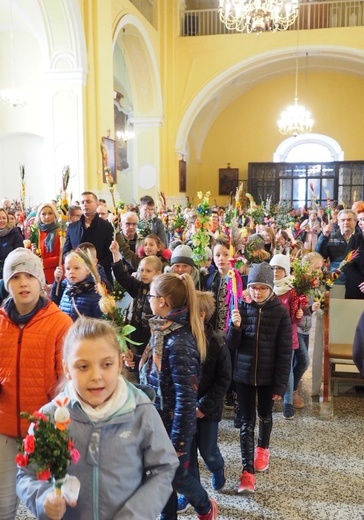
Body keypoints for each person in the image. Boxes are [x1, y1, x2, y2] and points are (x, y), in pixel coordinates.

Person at [16, 317, 179, 520]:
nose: (96, 376)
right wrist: (43, 499)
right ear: (67, 369)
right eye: (83, 367)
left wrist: (135, 514)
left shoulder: (140, 411)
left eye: (107, 364)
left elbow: (163, 467)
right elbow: (26, 474)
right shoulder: (50, 416)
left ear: (119, 364)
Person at [136, 272, 218, 520]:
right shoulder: (162, 329)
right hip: (158, 419)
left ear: (163, 301)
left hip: (173, 425)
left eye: (151, 295)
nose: (148, 299)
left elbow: (186, 397)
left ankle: (205, 506)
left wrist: (179, 442)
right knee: (161, 477)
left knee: (178, 476)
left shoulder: (179, 341)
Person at [0, 247, 72, 520]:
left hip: (43, 429)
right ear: (8, 284)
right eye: (15, 277)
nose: (23, 283)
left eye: (29, 275)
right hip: (4, 426)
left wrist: (57, 419)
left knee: (46, 505)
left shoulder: (59, 323)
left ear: (40, 281)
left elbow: (66, 379)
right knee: (3, 502)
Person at [227, 262, 292, 494]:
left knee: (264, 414)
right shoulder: (242, 308)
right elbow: (231, 345)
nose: (257, 292)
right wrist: (234, 327)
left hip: (268, 376)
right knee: (246, 422)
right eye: (253, 287)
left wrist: (280, 384)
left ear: (271, 289)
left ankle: (263, 447)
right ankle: (247, 472)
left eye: (262, 288)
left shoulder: (280, 313)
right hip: (243, 375)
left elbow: (285, 352)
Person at [177, 291, 231, 514]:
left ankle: (218, 469)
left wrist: (203, 406)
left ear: (201, 315)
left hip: (208, 410)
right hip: (186, 410)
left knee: (208, 452)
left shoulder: (217, 343)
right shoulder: (180, 340)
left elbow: (224, 379)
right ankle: (192, 493)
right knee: (187, 456)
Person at [110, 239, 163, 374]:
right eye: (142, 270)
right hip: (135, 337)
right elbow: (122, 277)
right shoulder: (138, 287)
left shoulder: (162, 293)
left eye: (148, 271)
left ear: (158, 273)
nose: (143, 274)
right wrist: (116, 254)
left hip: (151, 338)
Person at [269, 254, 304, 419]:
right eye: (273, 268)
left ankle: (288, 402)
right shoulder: (266, 288)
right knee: (269, 368)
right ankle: (268, 399)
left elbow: (295, 319)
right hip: (269, 337)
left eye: (280, 268)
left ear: (286, 271)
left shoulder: (291, 291)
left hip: (287, 336)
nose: (276, 271)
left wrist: (298, 313)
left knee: (287, 369)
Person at [63, 191, 114, 284]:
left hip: (99, 276)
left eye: (88, 201)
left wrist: (93, 266)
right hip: (77, 277)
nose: (85, 204)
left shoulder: (107, 227)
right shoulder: (72, 227)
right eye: (82, 202)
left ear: (97, 204)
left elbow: (110, 254)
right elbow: (66, 252)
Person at [51, 251, 103, 321]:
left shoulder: (94, 290)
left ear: (87, 270)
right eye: (68, 269)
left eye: (76, 268)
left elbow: (100, 319)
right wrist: (57, 282)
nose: (71, 272)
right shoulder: (66, 286)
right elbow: (54, 300)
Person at [315, 209, 358, 274]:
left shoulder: (361, 238)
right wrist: (324, 236)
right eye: (343, 220)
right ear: (338, 223)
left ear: (355, 222)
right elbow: (319, 255)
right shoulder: (330, 238)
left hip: (358, 278)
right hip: (337, 278)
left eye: (349, 219)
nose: (346, 222)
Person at [33, 202, 61, 284]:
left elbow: (62, 256)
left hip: (55, 275)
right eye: (43, 214)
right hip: (39, 275)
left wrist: (43, 262)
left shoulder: (61, 232)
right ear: (39, 216)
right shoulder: (37, 233)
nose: (47, 217)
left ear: (55, 215)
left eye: (50, 213)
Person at [0, 207, 24, 279]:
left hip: (11, 274)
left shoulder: (15, 234)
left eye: (4, 218)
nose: (1, 220)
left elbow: (20, 256)